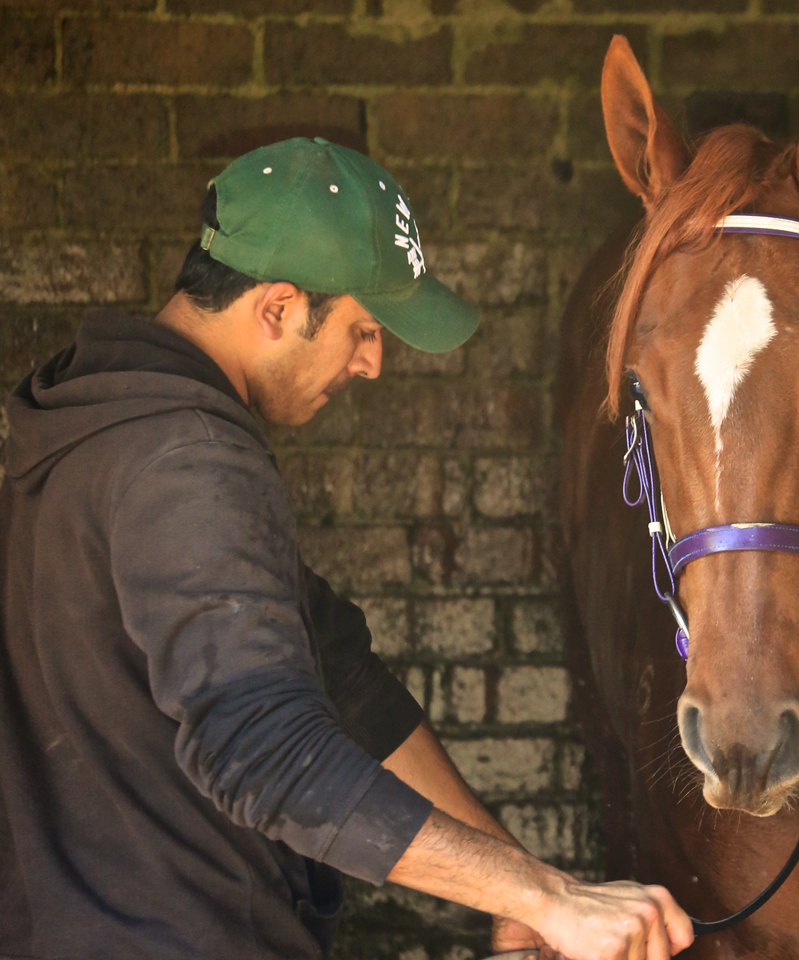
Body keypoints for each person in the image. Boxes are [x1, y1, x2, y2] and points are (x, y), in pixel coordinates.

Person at [0, 137, 692, 960]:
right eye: (363, 329)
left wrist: (519, 887)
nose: (372, 363)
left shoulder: (97, 423)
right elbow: (267, 750)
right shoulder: (188, 463)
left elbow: (342, 678)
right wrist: (548, 898)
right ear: (278, 308)